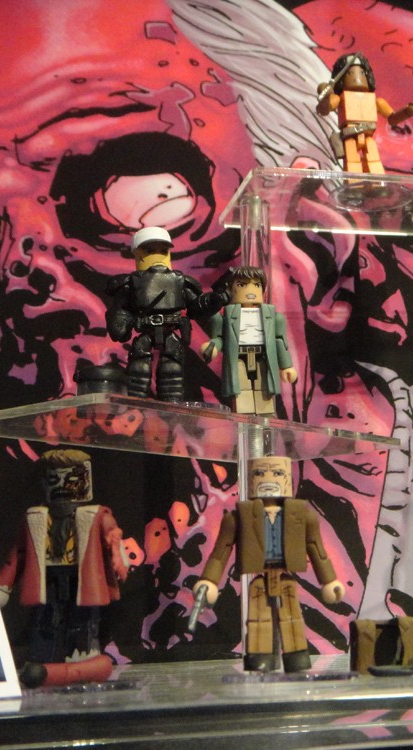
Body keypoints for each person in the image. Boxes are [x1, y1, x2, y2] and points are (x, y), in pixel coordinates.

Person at [191, 455, 344, 672]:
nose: (269, 479)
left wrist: (329, 580)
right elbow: (221, 552)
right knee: (258, 619)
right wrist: (209, 581)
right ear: (251, 479)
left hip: (284, 577)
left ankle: (296, 656)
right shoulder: (239, 518)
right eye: (260, 473)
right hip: (260, 579)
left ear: (287, 478)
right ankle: (260, 657)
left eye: (278, 473)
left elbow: (316, 549)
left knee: (292, 617)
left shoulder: (302, 516)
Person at [0, 449, 128, 686]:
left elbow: (113, 536)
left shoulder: (97, 516)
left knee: (82, 619)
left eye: (71, 478)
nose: (63, 485)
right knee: (45, 618)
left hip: (82, 578)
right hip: (48, 578)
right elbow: (19, 554)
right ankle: (42, 659)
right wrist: (3, 585)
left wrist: (117, 553)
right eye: (55, 478)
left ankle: (82, 656)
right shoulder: (35, 518)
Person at [106, 227, 218, 401]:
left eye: (163, 251)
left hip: (170, 333)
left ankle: (170, 408)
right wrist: (121, 322)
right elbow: (121, 310)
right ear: (138, 254)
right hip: (145, 331)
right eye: (150, 251)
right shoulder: (130, 283)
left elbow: (196, 308)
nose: (157, 256)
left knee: (172, 373)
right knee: (138, 372)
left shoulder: (180, 281)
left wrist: (213, 301)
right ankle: (136, 404)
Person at [202, 266, 298, 414]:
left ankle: (265, 418)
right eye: (242, 285)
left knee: (264, 391)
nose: (251, 290)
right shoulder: (228, 315)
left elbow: (279, 342)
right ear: (231, 289)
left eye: (257, 285)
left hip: (263, 358)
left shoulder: (272, 315)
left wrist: (286, 366)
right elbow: (220, 338)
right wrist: (213, 346)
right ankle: (245, 417)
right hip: (238, 358)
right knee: (241, 390)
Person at [316, 52, 413, 174]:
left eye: (361, 73)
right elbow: (323, 110)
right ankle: (353, 182)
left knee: (373, 159)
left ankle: (376, 182)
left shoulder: (376, 101)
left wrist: (406, 112)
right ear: (341, 79)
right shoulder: (340, 98)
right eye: (350, 73)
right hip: (349, 136)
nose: (356, 77)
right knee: (352, 160)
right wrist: (326, 97)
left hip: (368, 135)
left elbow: (392, 118)